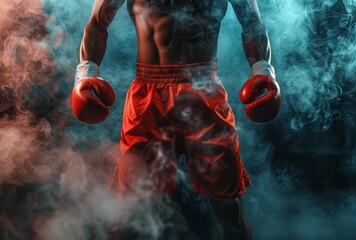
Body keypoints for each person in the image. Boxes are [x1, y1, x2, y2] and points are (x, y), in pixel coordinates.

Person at [71, 0, 281, 239]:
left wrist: (264, 70)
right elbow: (98, 22)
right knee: (132, 213)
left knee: (229, 209)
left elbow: (252, 22)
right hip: (148, 97)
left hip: (205, 93)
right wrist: (85, 73)